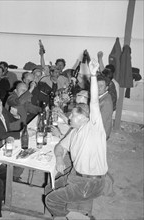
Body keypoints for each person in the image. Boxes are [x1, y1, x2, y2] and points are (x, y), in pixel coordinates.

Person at [45, 59, 108, 218]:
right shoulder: (74, 131)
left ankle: (75, 217)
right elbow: (60, 147)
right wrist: (59, 159)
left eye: (73, 114)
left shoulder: (93, 127)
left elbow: (94, 102)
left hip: (90, 182)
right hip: (76, 174)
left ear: (84, 118)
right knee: (49, 186)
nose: (69, 116)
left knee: (51, 199)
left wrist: (93, 75)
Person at [97, 74, 113, 140]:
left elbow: (101, 123)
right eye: (97, 85)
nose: (98, 88)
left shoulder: (106, 102)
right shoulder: (101, 96)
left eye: (101, 86)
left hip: (101, 134)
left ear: (106, 88)